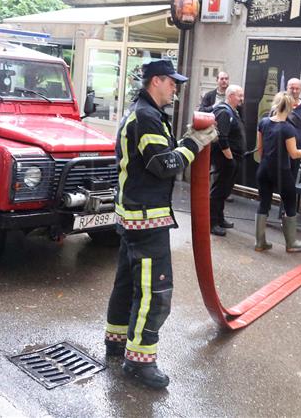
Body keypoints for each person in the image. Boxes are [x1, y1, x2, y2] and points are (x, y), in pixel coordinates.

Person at [105, 60, 217, 389]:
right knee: (155, 291)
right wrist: (195, 143)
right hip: (146, 221)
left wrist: (183, 142)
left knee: (127, 285)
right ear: (156, 81)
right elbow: (163, 165)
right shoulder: (148, 116)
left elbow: (155, 156)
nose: (175, 89)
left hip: (133, 217)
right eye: (172, 83)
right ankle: (139, 363)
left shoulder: (144, 113)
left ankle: (116, 342)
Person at [255, 92, 301, 252]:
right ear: (291, 107)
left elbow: (260, 149)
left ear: (275, 104)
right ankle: (291, 243)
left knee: (264, 202)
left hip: (264, 168)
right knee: (290, 203)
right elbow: (294, 154)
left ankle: (260, 242)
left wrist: (266, 162)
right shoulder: (288, 129)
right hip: (282, 171)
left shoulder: (264, 122)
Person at [209, 85, 245, 236]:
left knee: (224, 190)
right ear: (230, 96)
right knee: (218, 190)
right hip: (225, 160)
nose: (242, 99)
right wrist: (230, 159)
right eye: (239, 96)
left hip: (232, 158)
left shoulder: (232, 111)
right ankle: (212, 222)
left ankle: (220, 218)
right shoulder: (224, 112)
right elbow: (222, 138)